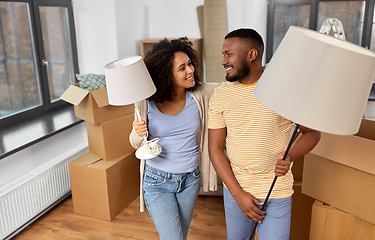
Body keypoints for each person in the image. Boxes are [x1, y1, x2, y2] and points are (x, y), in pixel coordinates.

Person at [208, 28, 321, 240]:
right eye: (223, 55)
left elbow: (312, 133)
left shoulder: (283, 89)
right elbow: (214, 149)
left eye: (229, 54)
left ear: (252, 55)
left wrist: (290, 156)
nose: (223, 61)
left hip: (276, 192)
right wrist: (237, 194)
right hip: (236, 191)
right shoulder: (221, 94)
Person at [129, 37, 218, 240]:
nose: (191, 70)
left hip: (190, 179)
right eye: (182, 68)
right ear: (166, 74)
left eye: (190, 64)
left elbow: (230, 88)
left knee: (180, 236)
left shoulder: (200, 94)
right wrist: (138, 131)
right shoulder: (146, 103)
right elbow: (135, 143)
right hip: (157, 181)